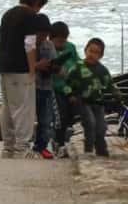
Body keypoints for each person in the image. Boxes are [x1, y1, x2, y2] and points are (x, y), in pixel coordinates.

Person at [0, 0, 49, 159]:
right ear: (36, 2)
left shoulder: (7, 14)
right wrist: (32, 68)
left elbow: (0, 41)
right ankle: (22, 148)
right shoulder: (31, 17)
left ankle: (8, 147)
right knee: (23, 109)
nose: (39, 9)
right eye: (40, 6)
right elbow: (29, 44)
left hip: (4, 66)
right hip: (21, 68)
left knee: (7, 108)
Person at [63, 38, 122, 158]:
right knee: (90, 123)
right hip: (83, 102)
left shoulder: (102, 70)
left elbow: (110, 84)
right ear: (85, 51)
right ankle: (88, 150)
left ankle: (101, 149)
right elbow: (66, 84)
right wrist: (70, 95)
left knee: (101, 127)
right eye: (90, 51)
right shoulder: (77, 68)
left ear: (100, 55)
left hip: (98, 102)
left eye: (96, 53)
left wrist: (118, 95)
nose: (92, 55)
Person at [50, 21, 80, 158]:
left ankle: (64, 142)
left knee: (71, 116)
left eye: (64, 40)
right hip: (56, 88)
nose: (61, 43)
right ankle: (59, 143)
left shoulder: (70, 47)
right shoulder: (48, 49)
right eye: (58, 40)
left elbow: (78, 63)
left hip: (71, 88)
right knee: (60, 117)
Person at [31, 14, 56, 159]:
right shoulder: (29, 45)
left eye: (45, 35)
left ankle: (42, 146)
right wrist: (37, 66)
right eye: (40, 35)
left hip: (46, 86)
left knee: (46, 120)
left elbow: (54, 61)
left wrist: (56, 67)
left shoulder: (49, 45)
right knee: (27, 119)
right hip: (31, 86)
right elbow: (23, 65)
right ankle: (24, 144)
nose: (42, 38)